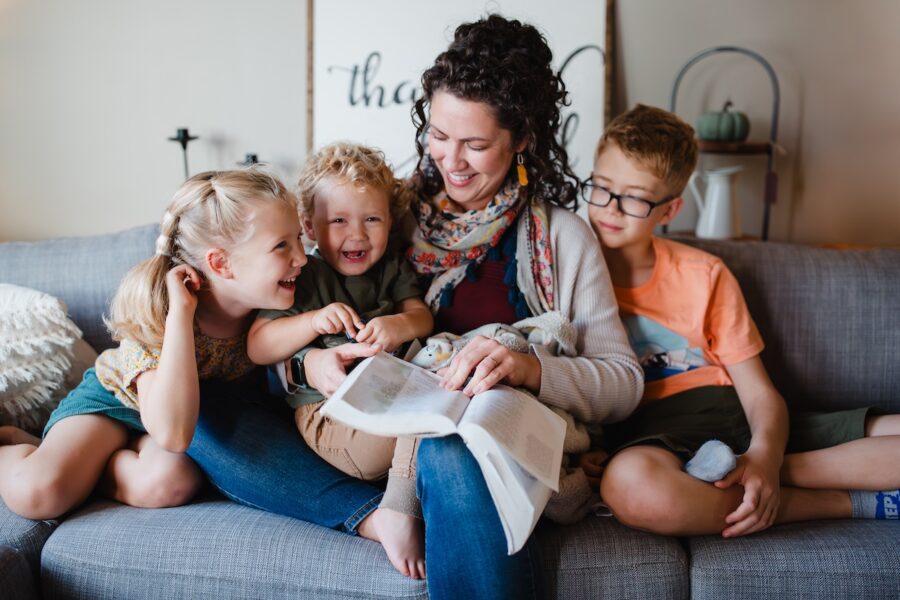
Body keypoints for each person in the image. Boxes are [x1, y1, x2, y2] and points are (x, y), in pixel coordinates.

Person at [296, 15, 643, 599]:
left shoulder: (561, 238)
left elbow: (624, 383)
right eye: (438, 134)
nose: (450, 161)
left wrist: (531, 368)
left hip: (485, 443)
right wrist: (304, 362)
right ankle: (379, 509)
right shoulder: (381, 214)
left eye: (476, 144)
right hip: (372, 434)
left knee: (451, 446)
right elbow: (302, 305)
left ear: (523, 138)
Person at [579, 104, 900, 538]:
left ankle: (759, 472)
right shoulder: (565, 270)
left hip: (723, 413)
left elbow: (759, 394)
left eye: (634, 197)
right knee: (631, 487)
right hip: (651, 438)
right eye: (601, 188)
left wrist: (765, 458)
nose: (610, 209)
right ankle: (829, 500)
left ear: (669, 211)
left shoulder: (703, 274)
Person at [0, 169, 306, 520]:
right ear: (221, 263)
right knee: (38, 495)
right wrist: (180, 315)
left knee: (169, 482)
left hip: (177, 425)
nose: (301, 257)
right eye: (282, 246)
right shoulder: (159, 309)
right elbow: (172, 435)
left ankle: (91, 468)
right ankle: (11, 441)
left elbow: (176, 439)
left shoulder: (281, 303)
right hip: (117, 404)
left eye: (299, 238)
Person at [246, 142, 433, 579]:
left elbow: (421, 316)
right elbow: (257, 345)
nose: (358, 234)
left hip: (392, 395)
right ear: (309, 227)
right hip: (330, 414)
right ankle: (400, 506)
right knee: (426, 414)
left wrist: (398, 326)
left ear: (390, 221)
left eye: (372, 219)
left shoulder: (390, 268)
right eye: (339, 221)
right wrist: (312, 322)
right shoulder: (302, 276)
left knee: (443, 354)